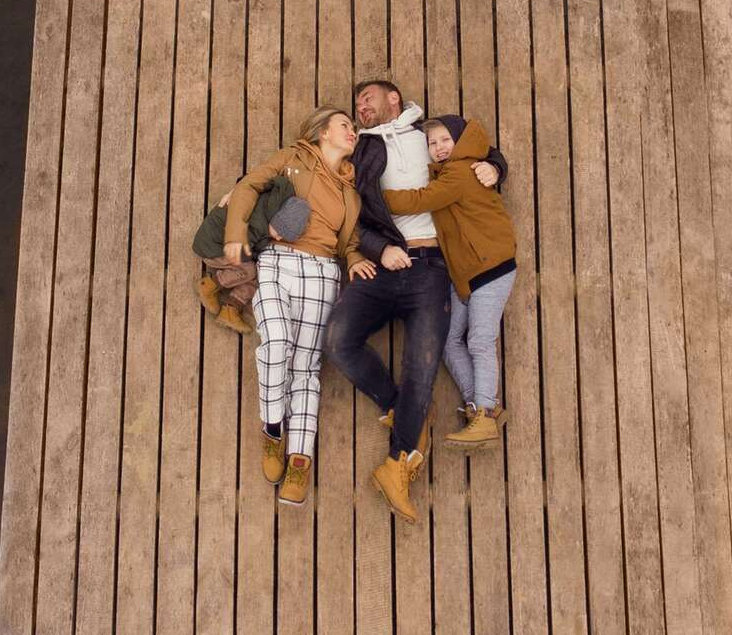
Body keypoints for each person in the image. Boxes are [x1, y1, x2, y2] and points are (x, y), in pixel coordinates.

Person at [329, 76, 505, 523]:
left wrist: (496, 165)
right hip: (383, 264)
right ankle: (403, 410)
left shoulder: (429, 140)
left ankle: (396, 466)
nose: (360, 107)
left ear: (393, 98)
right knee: (338, 341)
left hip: (433, 269)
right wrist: (377, 249)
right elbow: (351, 213)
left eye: (367, 98)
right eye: (356, 104)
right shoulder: (362, 151)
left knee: (422, 365)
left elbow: (472, 152)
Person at [221, 106, 376, 506]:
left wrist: (355, 258)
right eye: (345, 125)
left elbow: (350, 241)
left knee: (305, 369)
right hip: (278, 261)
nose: (353, 131)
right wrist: (236, 233)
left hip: (323, 272)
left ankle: (299, 461)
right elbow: (249, 186)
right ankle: (273, 431)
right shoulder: (292, 157)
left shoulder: (352, 188)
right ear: (323, 132)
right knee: (275, 343)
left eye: (354, 127)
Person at [382, 116, 517, 449]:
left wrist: (376, 197)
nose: (439, 148)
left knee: (480, 341)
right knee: (449, 341)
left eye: (445, 140)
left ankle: (484, 413)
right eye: (432, 143)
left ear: (460, 142)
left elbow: (419, 200)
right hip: (466, 273)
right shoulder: (447, 172)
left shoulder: (460, 172)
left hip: (491, 267)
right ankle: (480, 406)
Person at [192, 189, 312, 334]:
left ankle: (231, 309)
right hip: (211, 248)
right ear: (278, 221)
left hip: (221, 244)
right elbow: (244, 251)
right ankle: (209, 285)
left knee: (261, 271)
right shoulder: (256, 227)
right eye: (280, 233)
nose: (279, 238)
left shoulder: (270, 207)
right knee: (249, 270)